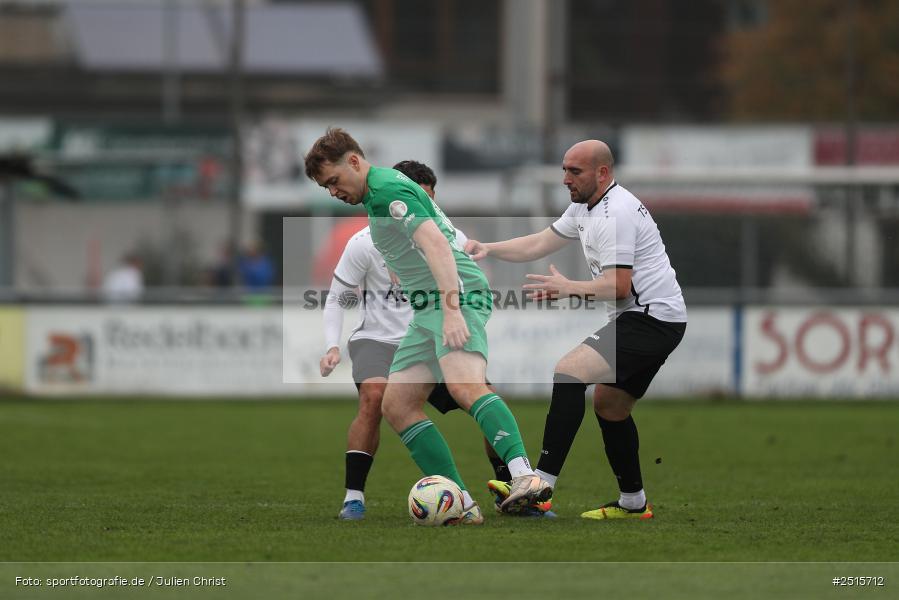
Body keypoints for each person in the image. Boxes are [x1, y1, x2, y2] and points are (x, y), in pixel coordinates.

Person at [305, 128, 551, 524]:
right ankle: (462, 503)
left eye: (333, 181)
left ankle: (525, 476)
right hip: (429, 307)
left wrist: (453, 310)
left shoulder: (386, 192)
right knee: (396, 404)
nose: (333, 191)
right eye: (325, 187)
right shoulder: (379, 192)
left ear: (353, 161)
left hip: (453, 297)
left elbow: (437, 243)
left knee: (465, 386)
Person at [464, 140, 687, 520]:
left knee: (570, 371)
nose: (565, 178)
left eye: (575, 171)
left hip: (653, 318)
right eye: (564, 169)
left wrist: (569, 288)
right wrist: (486, 248)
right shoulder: (586, 207)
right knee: (610, 406)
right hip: (650, 318)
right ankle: (633, 503)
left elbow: (618, 286)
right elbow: (539, 242)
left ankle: (540, 483)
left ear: (602, 173)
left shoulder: (616, 213)